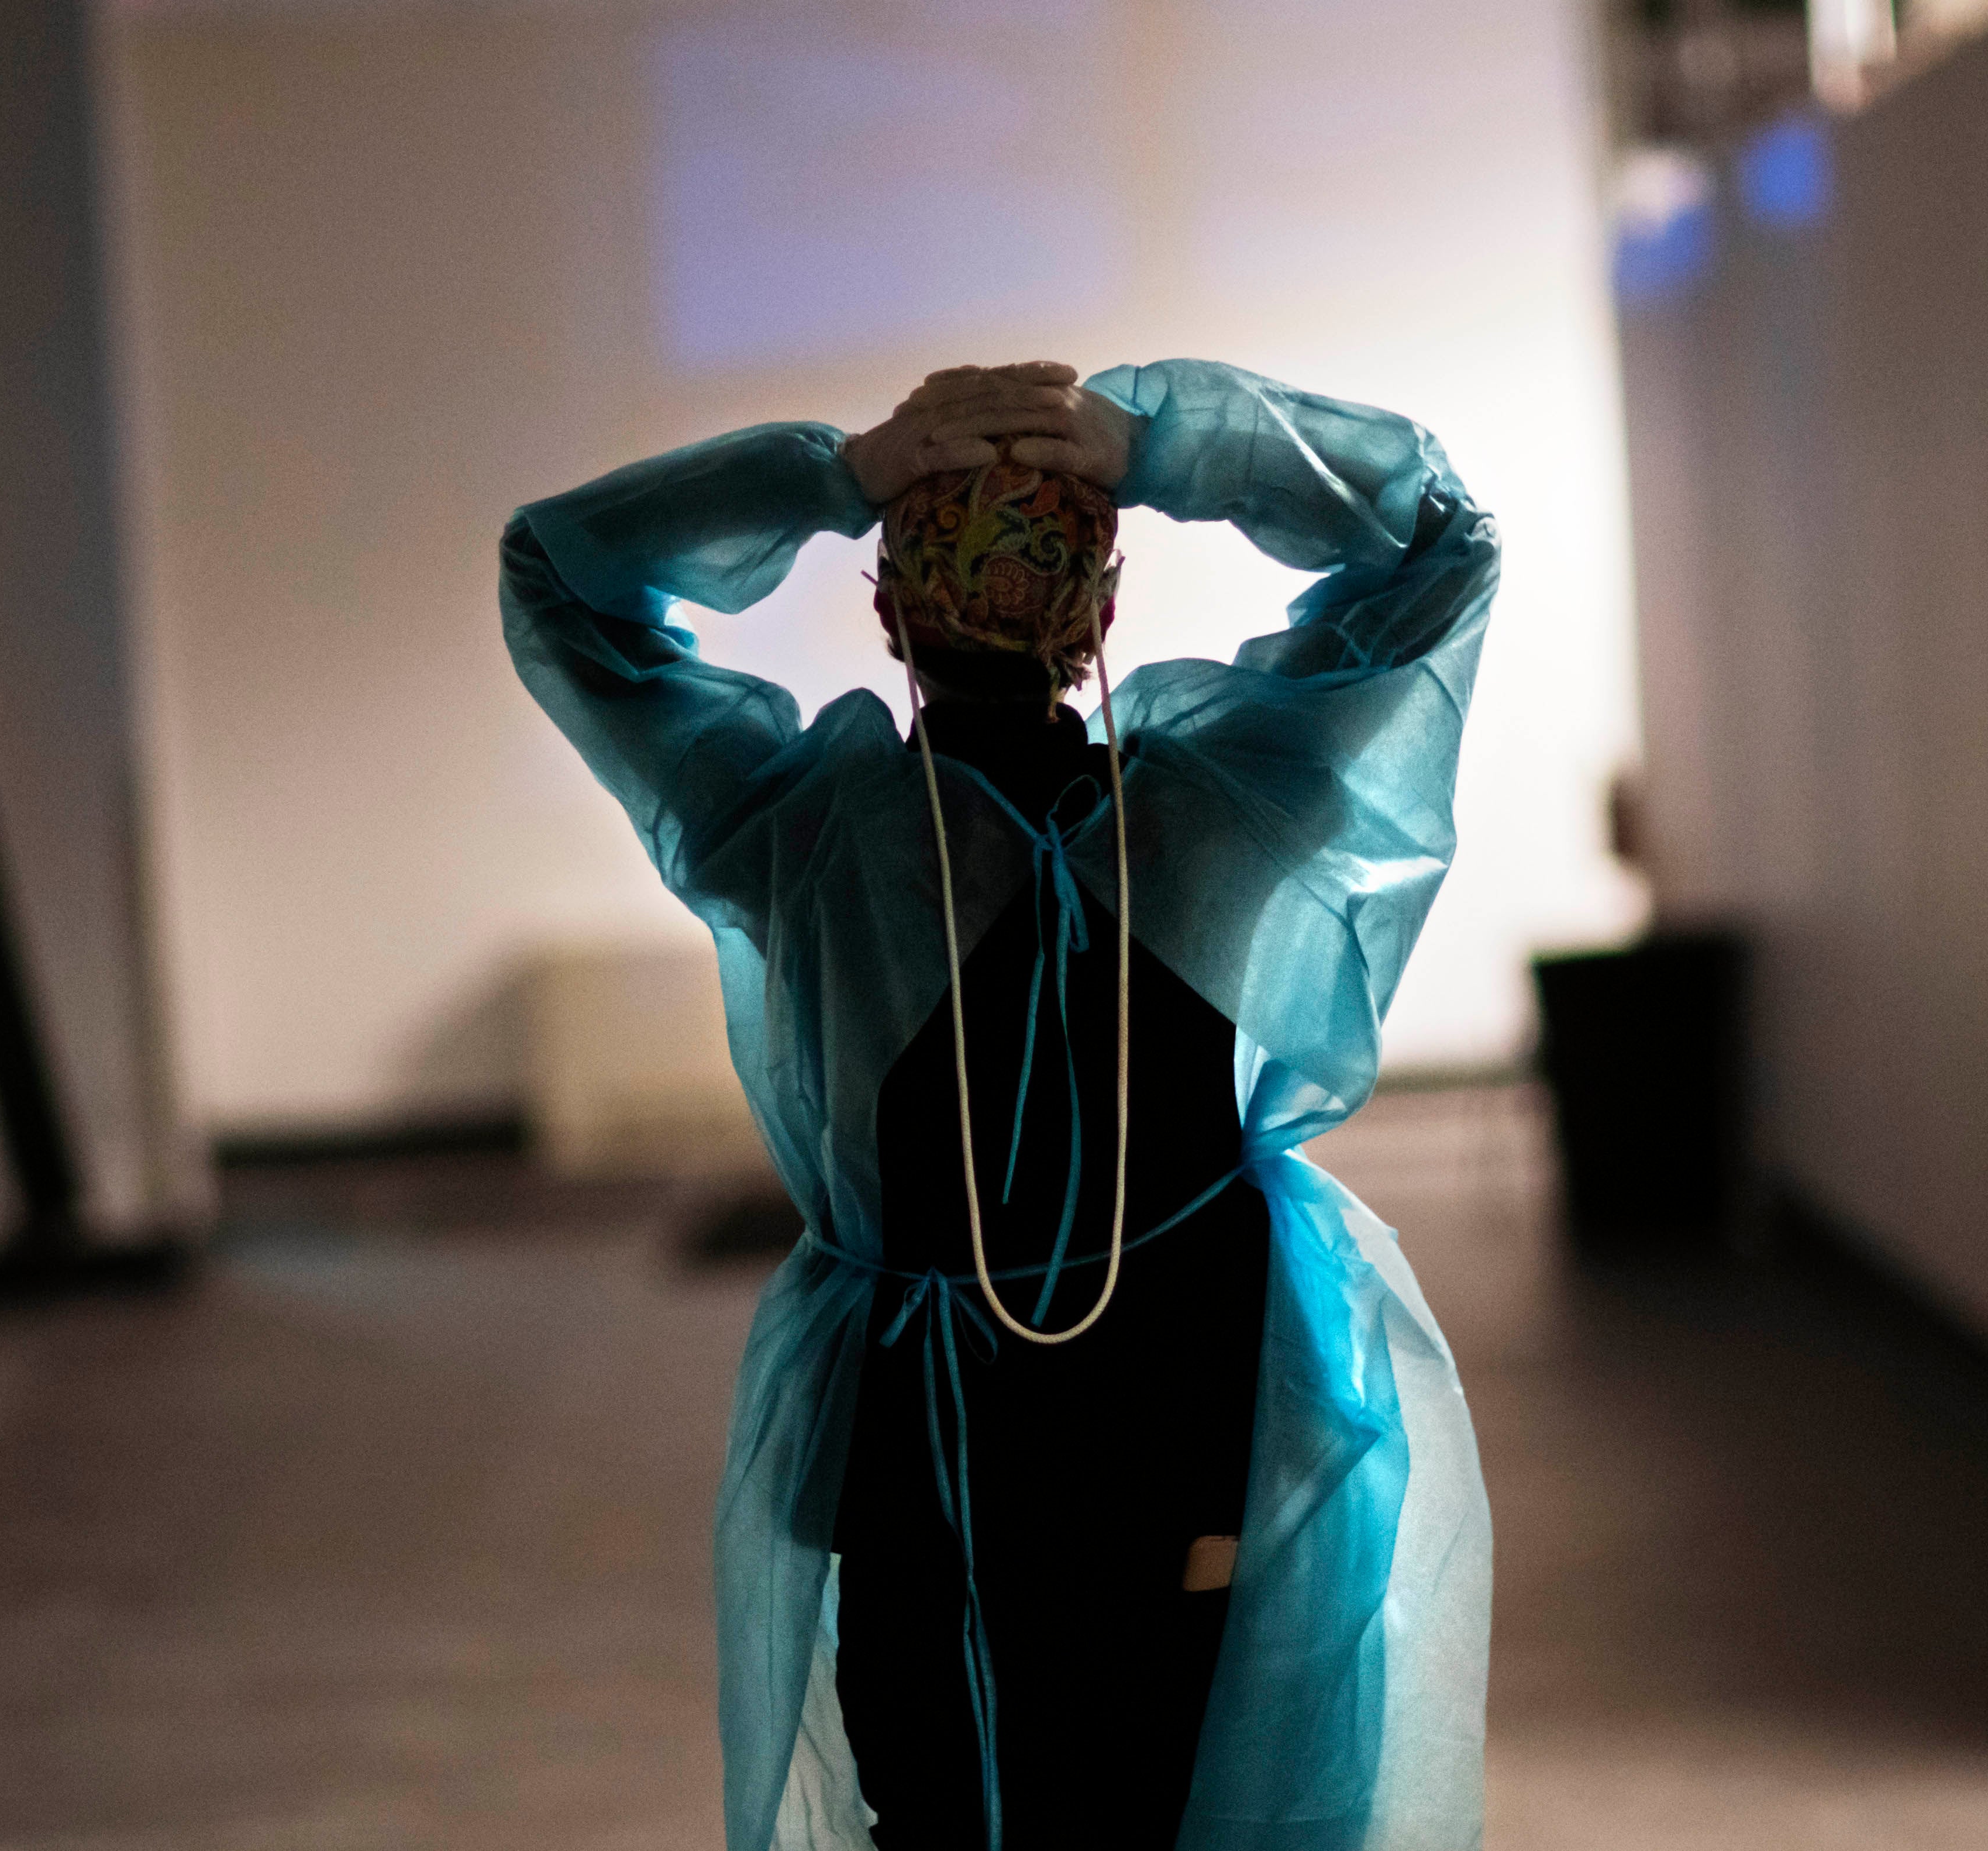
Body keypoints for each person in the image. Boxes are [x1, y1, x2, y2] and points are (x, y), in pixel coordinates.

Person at [501, 359, 1498, 1851]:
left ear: (892, 616)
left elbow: (559, 580)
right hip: (1183, 1451)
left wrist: (835, 472)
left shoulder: (803, 838)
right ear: (1101, 613)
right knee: (1180, 1799)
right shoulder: (1212, 815)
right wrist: (1166, 443)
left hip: (929, 1480)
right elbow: (1441, 544)